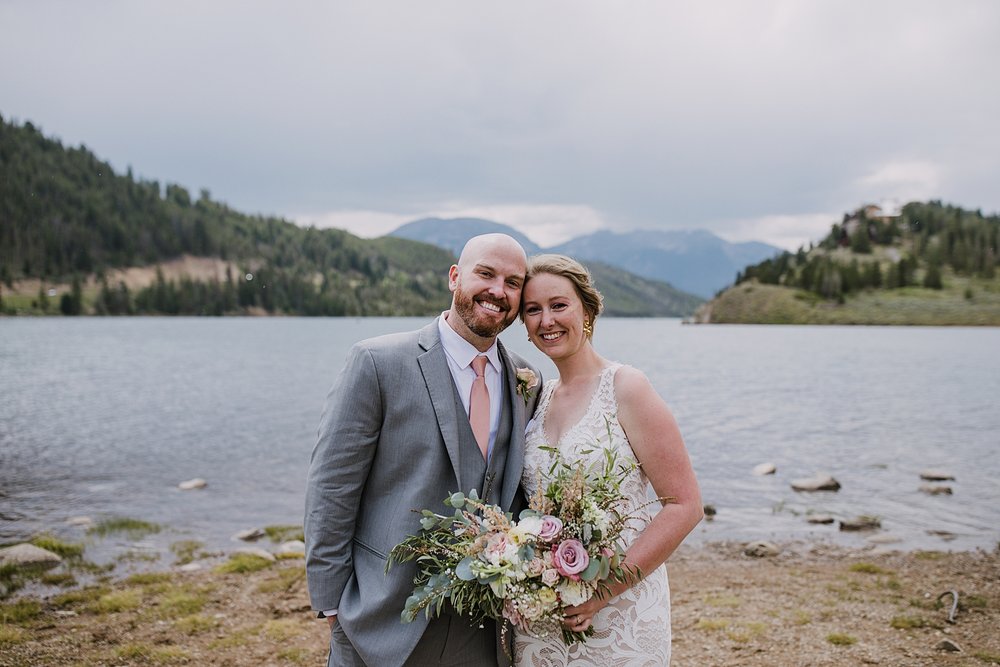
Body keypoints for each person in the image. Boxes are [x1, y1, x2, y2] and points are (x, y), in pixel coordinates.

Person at [305, 233, 543, 667]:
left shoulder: (527, 378)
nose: (498, 291)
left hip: (485, 625)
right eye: (485, 274)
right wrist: (331, 603)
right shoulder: (378, 362)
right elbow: (332, 487)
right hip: (382, 615)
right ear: (455, 277)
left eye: (513, 282)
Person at [514, 254, 703, 666]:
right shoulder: (535, 398)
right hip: (543, 615)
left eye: (558, 305)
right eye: (533, 310)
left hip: (620, 610)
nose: (546, 320)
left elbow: (685, 506)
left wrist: (603, 593)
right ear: (524, 327)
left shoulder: (627, 387)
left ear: (588, 310)